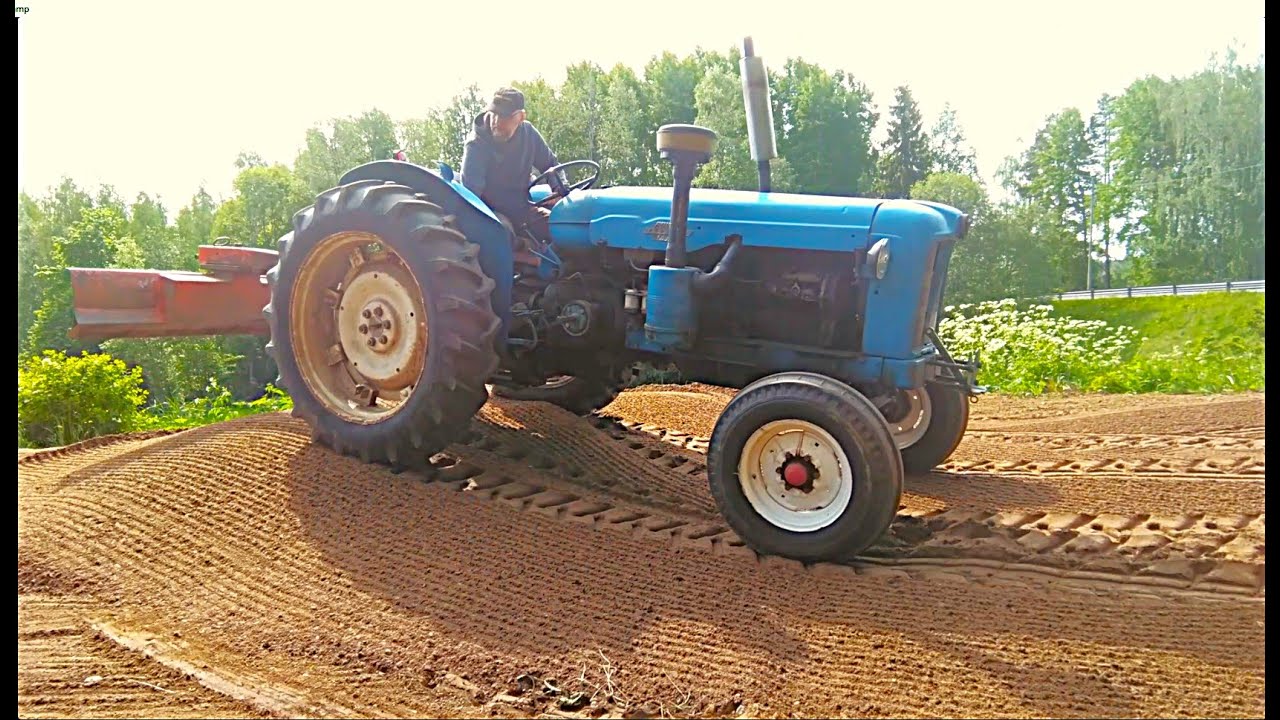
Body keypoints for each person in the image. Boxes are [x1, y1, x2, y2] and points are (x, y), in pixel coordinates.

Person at [460, 87, 568, 246]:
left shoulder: (529, 134)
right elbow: (471, 197)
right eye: (494, 113)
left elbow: (550, 164)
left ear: (521, 117)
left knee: (561, 226)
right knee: (503, 233)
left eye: (504, 116)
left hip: (523, 208)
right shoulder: (477, 145)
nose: (496, 121)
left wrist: (560, 190)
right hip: (491, 214)